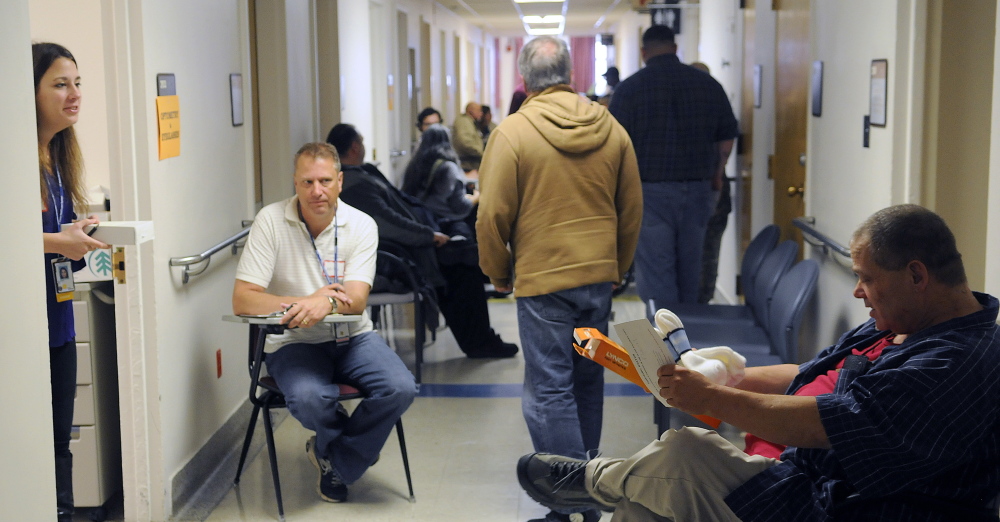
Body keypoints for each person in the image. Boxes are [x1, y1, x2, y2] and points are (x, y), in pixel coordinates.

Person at [517, 204, 1000, 521]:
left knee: (686, 452)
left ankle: (590, 481)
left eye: (866, 279)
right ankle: (607, 487)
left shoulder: (955, 363)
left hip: (844, 506)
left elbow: (828, 425)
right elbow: (810, 377)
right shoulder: (900, 323)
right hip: (807, 479)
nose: (858, 293)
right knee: (643, 507)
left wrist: (711, 397)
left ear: (917, 275)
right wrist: (727, 374)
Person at [476, 36, 643, 522]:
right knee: (588, 385)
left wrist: (498, 273)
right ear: (571, 74)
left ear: (525, 81)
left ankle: (576, 502)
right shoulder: (611, 129)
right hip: (596, 280)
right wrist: (617, 266)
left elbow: (491, 217)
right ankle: (580, 496)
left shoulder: (513, 133)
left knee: (548, 391)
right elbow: (631, 209)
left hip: (543, 282)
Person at [232, 142, 417, 503]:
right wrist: (309, 302)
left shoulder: (361, 225)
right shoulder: (271, 221)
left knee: (401, 387)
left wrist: (327, 302)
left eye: (325, 181)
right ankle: (355, 450)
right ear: (295, 183)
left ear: (340, 181)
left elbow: (357, 300)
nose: (316, 191)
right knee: (308, 398)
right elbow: (243, 299)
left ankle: (336, 457)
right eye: (307, 182)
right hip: (294, 342)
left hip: (354, 339)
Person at [329, 123, 516, 359]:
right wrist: (428, 235)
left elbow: (402, 205)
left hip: (413, 243)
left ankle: (482, 337)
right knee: (461, 267)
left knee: (462, 251)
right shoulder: (355, 184)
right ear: (355, 147)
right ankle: (479, 342)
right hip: (397, 255)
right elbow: (389, 223)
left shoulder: (364, 173)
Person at [609, 25, 738, 311]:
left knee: (657, 274)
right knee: (691, 271)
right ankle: (690, 342)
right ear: (675, 47)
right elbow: (726, 137)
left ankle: (664, 347)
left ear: (644, 52)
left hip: (649, 194)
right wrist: (716, 175)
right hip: (698, 189)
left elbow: (613, 145)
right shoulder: (708, 85)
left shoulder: (629, 89)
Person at [34, 42, 111, 521]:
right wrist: (56, 242)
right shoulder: (16, 159)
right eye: (60, 84)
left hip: (57, 325)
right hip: (24, 330)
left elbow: (50, 242)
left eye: (77, 83)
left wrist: (73, 240)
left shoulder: (58, 158)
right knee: (32, 443)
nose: (74, 94)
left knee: (58, 441)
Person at [686, 60, 734, 304]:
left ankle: (697, 308)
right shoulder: (714, 105)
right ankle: (699, 305)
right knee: (707, 257)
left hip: (710, 195)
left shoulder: (692, 113)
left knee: (702, 258)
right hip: (713, 191)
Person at [452, 101, 485, 172]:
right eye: (479, 110)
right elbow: (465, 142)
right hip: (467, 164)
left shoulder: (469, 122)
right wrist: (480, 152)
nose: (481, 113)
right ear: (471, 111)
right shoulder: (464, 122)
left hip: (471, 163)